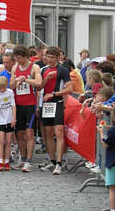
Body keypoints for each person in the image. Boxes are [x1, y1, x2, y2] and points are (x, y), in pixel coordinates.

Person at [39, 46, 73, 175]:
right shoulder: (43, 70)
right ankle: (52, 160)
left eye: (53, 57)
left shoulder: (63, 70)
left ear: (58, 58)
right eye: (48, 57)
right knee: (47, 133)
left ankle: (59, 162)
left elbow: (69, 89)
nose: (50, 60)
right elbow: (39, 87)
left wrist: (54, 94)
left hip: (57, 102)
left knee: (58, 132)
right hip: (46, 104)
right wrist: (47, 79)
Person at [10, 45, 42, 173]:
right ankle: (22, 159)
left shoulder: (34, 67)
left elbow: (39, 82)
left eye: (20, 58)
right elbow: (11, 85)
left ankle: (28, 161)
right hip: (18, 104)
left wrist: (26, 79)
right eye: (16, 58)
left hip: (30, 104)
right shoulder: (15, 67)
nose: (18, 61)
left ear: (25, 56)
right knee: (19, 134)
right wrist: (17, 79)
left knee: (29, 133)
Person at [0, 76, 16, 171]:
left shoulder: (10, 92)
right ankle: (0, 161)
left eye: (4, 87)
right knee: (1, 141)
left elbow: (13, 105)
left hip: (9, 119)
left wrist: (14, 118)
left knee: (8, 142)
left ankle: (7, 161)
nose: (2, 89)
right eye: (0, 87)